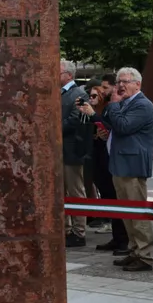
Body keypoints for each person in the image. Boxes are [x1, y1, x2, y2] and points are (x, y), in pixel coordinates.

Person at [90, 67, 153, 272]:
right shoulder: (125, 102)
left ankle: (145, 255)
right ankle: (134, 250)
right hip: (120, 163)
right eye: (119, 81)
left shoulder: (143, 104)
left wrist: (114, 104)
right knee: (127, 212)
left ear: (138, 84)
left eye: (125, 81)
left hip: (132, 165)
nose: (120, 85)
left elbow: (124, 126)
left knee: (137, 212)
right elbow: (112, 123)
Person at [84, 80, 129, 255]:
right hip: (98, 157)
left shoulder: (114, 107)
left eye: (104, 88)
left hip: (111, 159)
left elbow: (114, 127)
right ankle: (117, 237)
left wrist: (94, 117)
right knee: (109, 198)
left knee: (117, 199)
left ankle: (124, 240)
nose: (102, 91)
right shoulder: (105, 109)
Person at [60, 61, 93, 248]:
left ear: (68, 75)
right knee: (61, 191)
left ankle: (79, 232)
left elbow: (76, 120)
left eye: (58, 72)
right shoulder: (59, 92)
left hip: (72, 150)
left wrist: (53, 127)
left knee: (75, 192)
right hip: (60, 150)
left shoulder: (79, 94)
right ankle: (65, 229)